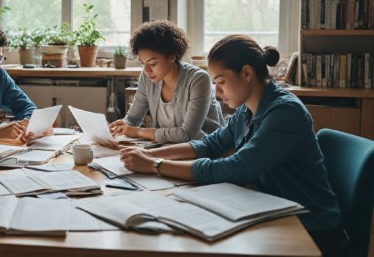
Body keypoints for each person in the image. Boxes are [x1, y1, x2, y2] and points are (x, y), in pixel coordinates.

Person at [119, 35, 347, 256]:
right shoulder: (247, 110)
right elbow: (208, 144)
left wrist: (155, 165)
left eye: (221, 82)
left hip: (312, 231)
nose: (217, 93)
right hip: (271, 210)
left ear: (246, 73)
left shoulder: (285, 112)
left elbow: (237, 168)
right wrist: (148, 154)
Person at [109, 20, 224, 144]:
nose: (146, 70)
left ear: (172, 56)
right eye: (143, 63)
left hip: (208, 151)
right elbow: (133, 118)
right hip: (170, 148)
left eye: (153, 63)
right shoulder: (147, 77)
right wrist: (123, 125)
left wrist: (136, 131)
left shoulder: (199, 79)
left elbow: (186, 134)